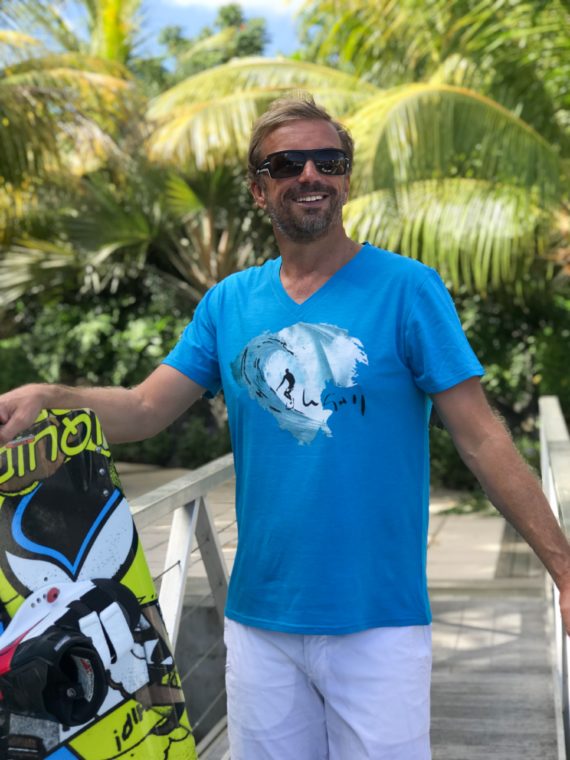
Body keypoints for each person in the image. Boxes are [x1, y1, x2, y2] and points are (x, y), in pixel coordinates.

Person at [1, 95, 570, 760]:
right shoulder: (228, 302)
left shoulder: (408, 289)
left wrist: (563, 570)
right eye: (287, 163)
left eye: (329, 161)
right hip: (259, 624)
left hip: (378, 622)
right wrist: (50, 397)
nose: (310, 174)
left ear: (346, 180)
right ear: (258, 188)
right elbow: (146, 409)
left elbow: (482, 439)